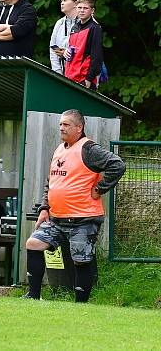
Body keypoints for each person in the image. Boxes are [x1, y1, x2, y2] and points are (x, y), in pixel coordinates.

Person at [24, 109, 125, 302]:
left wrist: (100, 188)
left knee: (81, 259)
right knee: (34, 243)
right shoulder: (60, 149)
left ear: (79, 127)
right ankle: (33, 296)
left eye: (66, 124)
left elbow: (117, 165)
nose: (61, 127)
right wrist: (44, 208)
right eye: (61, 124)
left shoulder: (89, 149)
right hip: (56, 218)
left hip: (83, 218)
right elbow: (52, 181)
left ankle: (80, 304)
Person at [63, 0, 104, 91]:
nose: (82, 10)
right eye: (79, 7)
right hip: (70, 76)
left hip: (84, 78)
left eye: (85, 8)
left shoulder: (95, 28)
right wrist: (65, 52)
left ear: (92, 11)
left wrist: (89, 79)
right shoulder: (74, 27)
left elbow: (97, 57)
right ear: (76, 8)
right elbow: (73, 51)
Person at [49, 0, 82, 74]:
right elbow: (53, 48)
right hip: (62, 75)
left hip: (80, 75)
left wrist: (66, 53)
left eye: (65, 0)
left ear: (75, 3)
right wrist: (57, 72)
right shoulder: (59, 23)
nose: (62, 3)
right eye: (61, 1)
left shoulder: (85, 23)